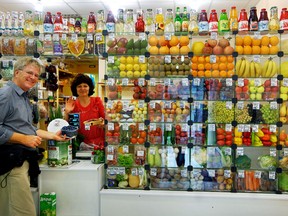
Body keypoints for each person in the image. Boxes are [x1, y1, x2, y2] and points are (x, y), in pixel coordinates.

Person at [0, 57, 67, 216]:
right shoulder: (6, 94)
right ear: (17, 72)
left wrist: (53, 135)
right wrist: (23, 139)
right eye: (29, 73)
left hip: (19, 161)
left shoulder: (23, 97)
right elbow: (23, 134)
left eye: (36, 75)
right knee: (23, 211)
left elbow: (28, 129)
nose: (33, 77)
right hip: (10, 164)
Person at [64, 74, 105, 150]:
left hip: (99, 145)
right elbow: (65, 127)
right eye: (79, 86)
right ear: (75, 89)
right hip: (79, 145)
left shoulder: (97, 101)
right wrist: (66, 112)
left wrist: (103, 123)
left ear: (89, 87)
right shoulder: (72, 104)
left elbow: (106, 121)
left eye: (85, 86)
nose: (82, 88)